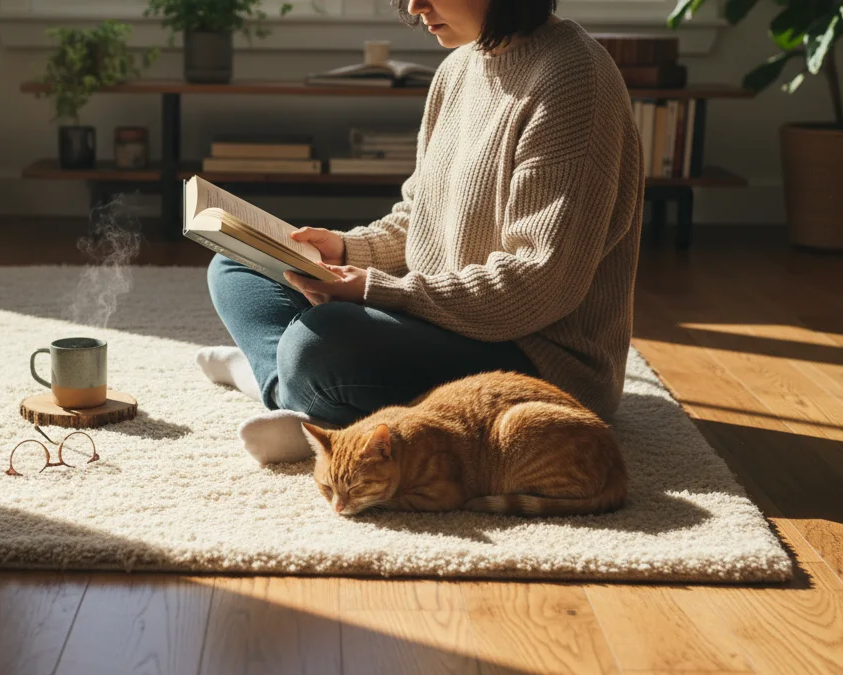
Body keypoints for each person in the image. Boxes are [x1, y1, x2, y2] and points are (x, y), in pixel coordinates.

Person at [197, 0, 644, 464]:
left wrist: (377, 290)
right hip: (440, 317)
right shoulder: (457, 69)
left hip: (538, 358)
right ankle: (296, 396)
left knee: (320, 343)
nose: (414, 6)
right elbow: (419, 217)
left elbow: (539, 285)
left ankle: (275, 382)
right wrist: (348, 248)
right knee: (235, 264)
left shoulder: (574, 79)